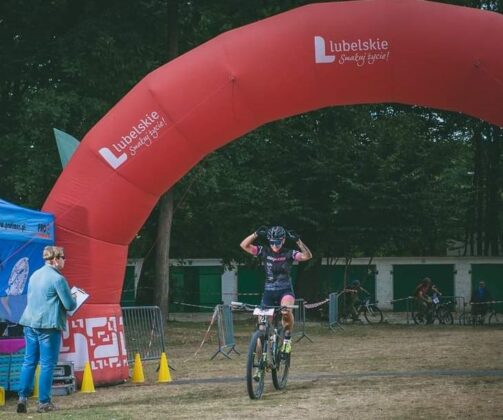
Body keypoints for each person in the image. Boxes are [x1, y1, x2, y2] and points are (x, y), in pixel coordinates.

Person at [16, 246, 76, 414]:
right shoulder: (58, 279)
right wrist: (75, 298)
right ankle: (44, 402)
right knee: (47, 365)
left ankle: (22, 398)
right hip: (48, 326)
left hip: (29, 323)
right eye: (63, 257)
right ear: (56, 259)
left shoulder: (35, 275)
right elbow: (70, 305)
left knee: (29, 362)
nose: (65, 260)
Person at [240, 225, 312, 354]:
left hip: (285, 291)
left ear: (283, 240)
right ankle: (259, 364)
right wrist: (255, 234)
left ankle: (287, 339)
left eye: (278, 242)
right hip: (269, 292)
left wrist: (298, 241)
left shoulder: (289, 253)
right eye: (272, 242)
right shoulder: (264, 251)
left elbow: (307, 256)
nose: (275, 245)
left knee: (285, 312)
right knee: (262, 326)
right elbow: (244, 245)